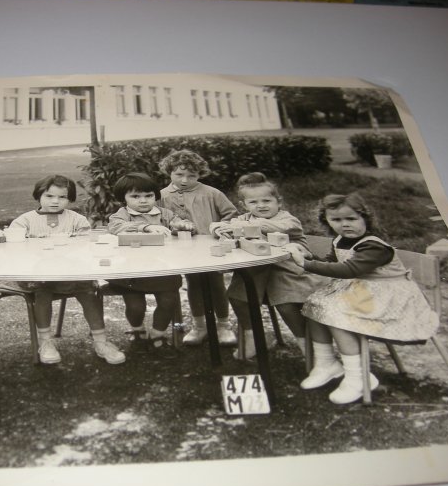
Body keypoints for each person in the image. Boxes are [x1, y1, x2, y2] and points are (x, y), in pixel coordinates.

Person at [289, 193, 439, 404]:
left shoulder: (373, 246)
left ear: (365, 218)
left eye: (351, 219)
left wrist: (304, 265)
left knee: (337, 314)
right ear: (327, 221)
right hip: (364, 293)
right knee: (315, 304)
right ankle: (326, 363)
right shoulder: (340, 240)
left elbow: (349, 269)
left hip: (392, 298)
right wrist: (308, 257)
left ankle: (358, 376)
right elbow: (331, 262)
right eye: (336, 220)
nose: (345, 225)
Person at [3, 174, 125, 365]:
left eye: (62, 197)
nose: (55, 201)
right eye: (49, 196)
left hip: (71, 272)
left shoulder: (77, 220)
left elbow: (85, 246)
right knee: (42, 293)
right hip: (37, 274)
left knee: (88, 291)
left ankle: (101, 342)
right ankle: (46, 342)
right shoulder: (24, 221)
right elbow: (15, 248)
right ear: (39, 196)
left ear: (70, 199)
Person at [212, 172, 325, 360]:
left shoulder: (287, 219)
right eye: (254, 202)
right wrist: (220, 229)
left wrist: (243, 226)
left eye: (266, 201)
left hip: (289, 270)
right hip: (257, 271)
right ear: (244, 205)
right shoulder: (243, 219)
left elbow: (277, 228)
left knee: (287, 304)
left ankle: (308, 346)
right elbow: (220, 226)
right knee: (237, 296)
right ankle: (254, 336)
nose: (261, 206)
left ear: (278, 202)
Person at [107, 172, 195, 358]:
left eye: (148, 196)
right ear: (123, 198)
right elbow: (115, 228)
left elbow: (178, 223)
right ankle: (138, 331)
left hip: (162, 268)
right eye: (135, 196)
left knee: (169, 301)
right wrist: (144, 227)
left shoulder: (164, 214)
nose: (143, 201)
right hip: (131, 271)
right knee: (136, 306)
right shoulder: (122, 215)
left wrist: (185, 226)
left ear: (155, 196)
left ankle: (158, 335)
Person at [159, 149, 238, 347]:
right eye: (179, 174)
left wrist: (221, 227)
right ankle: (200, 326)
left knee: (216, 283)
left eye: (191, 176)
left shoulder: (211, 193)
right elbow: (158, 219)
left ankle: (223, 325)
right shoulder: (161, 196)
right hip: (182, 249)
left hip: (210, 248)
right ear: (169, 172)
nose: (185, 180)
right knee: (193, 283)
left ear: (199, 175)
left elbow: (231, 214)